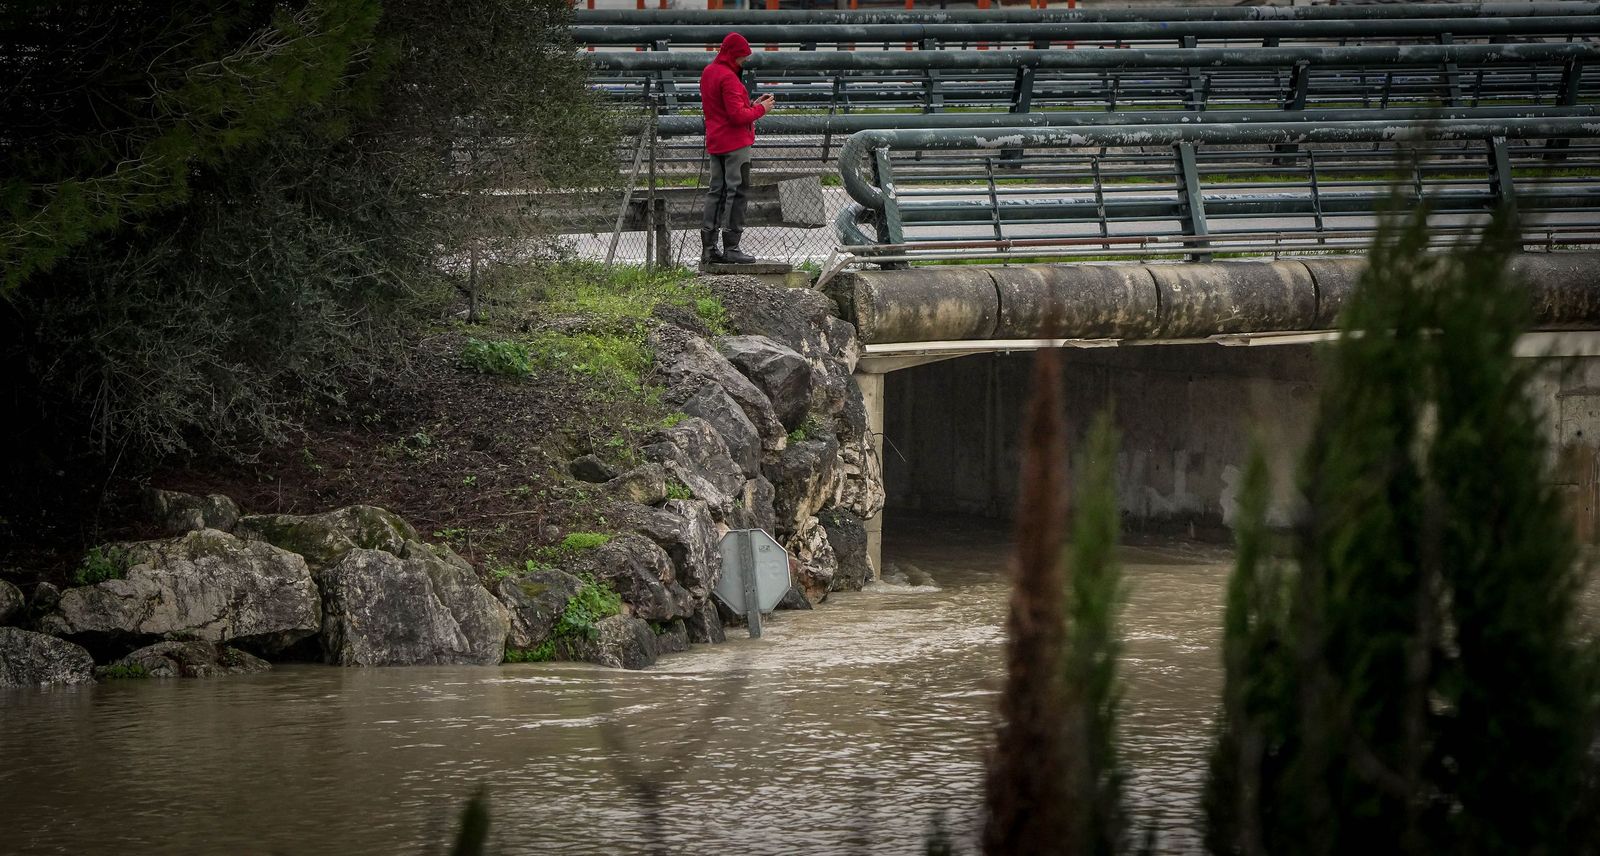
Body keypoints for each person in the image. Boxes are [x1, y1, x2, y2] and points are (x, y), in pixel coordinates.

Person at [700, 32, 774, 268]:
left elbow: (725, 109)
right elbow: (736, 116)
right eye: (742, 56)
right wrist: (761, 109)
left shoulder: (709, 72)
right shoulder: (729, 78)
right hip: (735, 144)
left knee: (716, 192)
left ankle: (709, 248)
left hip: (716, 141)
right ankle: (732, 247)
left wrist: (750, 105)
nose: (744, 60)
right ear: (733, 54)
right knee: (737, 192)